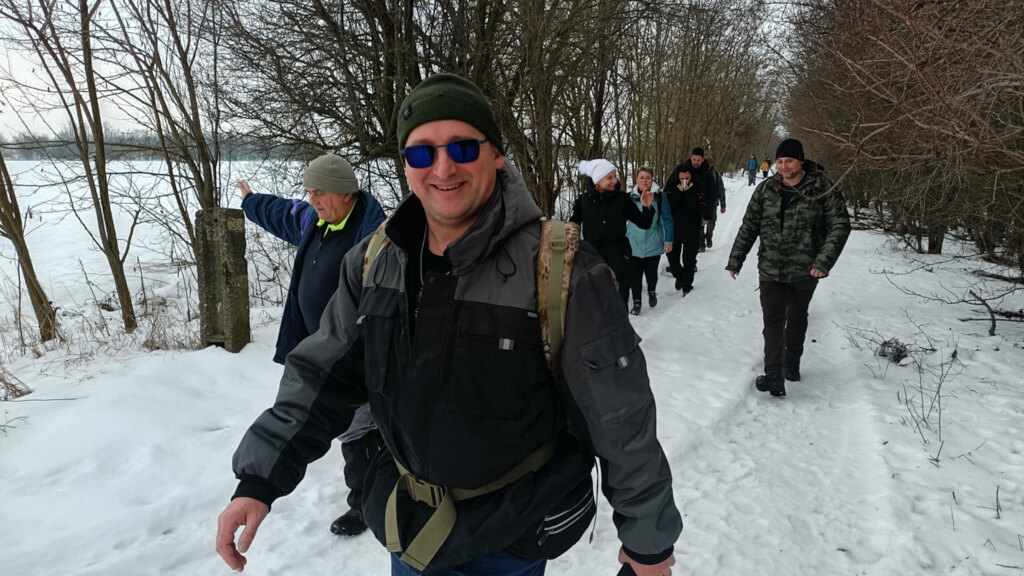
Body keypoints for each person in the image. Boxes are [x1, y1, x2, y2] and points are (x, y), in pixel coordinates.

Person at [216, 73, 682, 576]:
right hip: (410, 525)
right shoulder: (375, 261)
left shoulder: (561, 269)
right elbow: (319, 378)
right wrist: (259, 480)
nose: (442, 168)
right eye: (422, 153)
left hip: (510, 539)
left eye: (462, 147)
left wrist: (648, 546)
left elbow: (621, 418)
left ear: (496, 155)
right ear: (405, 165)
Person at [238, 153, 387, 537]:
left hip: (352, 357)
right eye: (309, 192)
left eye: (320, 192)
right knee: (351, 430)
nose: (312, 199)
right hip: (317, 353)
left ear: (346, 193)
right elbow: (280, 213)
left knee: (359, 433)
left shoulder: (373, 238)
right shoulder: (314, 222)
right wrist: (251, 201)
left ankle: (365, 506)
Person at [725, 138, 851, 397]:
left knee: (796, 317)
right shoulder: (766, 189)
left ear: (800, 161)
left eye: (789, 161)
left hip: (806, 269)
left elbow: (840, 225)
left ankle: (791, 363)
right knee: (772, 320)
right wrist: (736, 259)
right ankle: (774, 374)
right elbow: (750, 225)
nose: (783, 166)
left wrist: (823, 261)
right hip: (771, 267)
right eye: (780, 161)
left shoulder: (821, 188)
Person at [570, 159, 655, 306]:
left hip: (619, 259)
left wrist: (647, 208)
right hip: (593, 261)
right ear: (597, 180)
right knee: (596, 304)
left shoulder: (622, 199)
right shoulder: (583, 202)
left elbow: (644, 223)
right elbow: (572, 227)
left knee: (619, 304)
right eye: (609, 177)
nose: (615, 181)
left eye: (615, 176)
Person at [663, 148, 715, 295]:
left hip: (692, 225)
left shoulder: (703, 178)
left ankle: (687, 284)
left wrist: (707, 216)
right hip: (675, 226)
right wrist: (680, 192)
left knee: (689, 258)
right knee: (673, 258)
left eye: (698, 160)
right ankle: (679, 276)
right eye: (694, 159)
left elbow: (706, 200)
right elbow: (668, 202)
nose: (684, 181)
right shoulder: (675, 182)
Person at [625, 166, 673, 315]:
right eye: (642, 178)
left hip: (653, 242)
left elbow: (667, 219)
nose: (645, 181)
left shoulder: (659, 197)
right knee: (635, 277)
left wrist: (668, 240)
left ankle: (652, 291)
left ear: (652, 179)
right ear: (636, 180)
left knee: (651, 275)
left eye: (648, 178)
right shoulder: (628, 197)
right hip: (633, 244)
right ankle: (637, 302)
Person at [700, 155, 727, 251]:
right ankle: (701, 243)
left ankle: (709, 235)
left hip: (712, 204)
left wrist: (723, 205)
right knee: (700, 224)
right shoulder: (698, 174)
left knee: (711, 222)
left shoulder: (716, 175)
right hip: (700, 204)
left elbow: (721, 190)